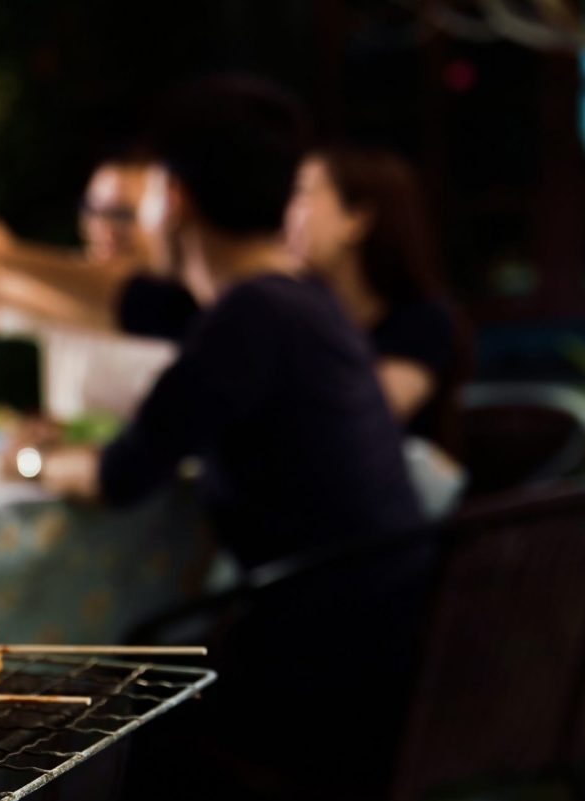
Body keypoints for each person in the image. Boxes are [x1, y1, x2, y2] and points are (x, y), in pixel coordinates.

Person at [32, 78, 423, 574]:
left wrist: (32, 462)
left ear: (173, 199)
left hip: (320, 627)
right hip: (390, 607)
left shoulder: (250, 318)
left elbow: (118, 477)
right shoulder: (302, 296)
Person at [0, 153, 180, 422]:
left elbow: (117, 299)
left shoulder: (182, 303)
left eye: (122, 215)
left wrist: (1, 256)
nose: (101, 227)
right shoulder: (68, 282)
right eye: (91, 210)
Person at [285, 147, 470, 452]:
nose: (285, 211)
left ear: (355, 219)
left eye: (301, 193)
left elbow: (353, 423)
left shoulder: (423, 320)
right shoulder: (304, 314)